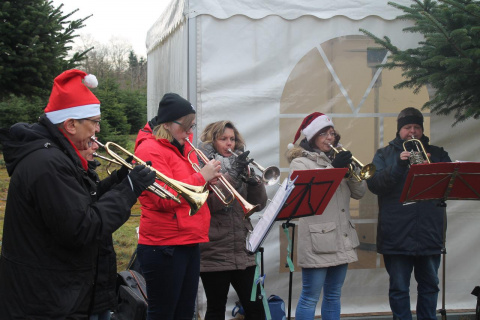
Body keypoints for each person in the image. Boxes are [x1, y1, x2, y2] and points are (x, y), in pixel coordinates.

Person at [0, 69, 156, 319]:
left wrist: (120, 179)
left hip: (62, 293)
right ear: (71, 124)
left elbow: (83, 202)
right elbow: (82, 227)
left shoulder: (56, 157)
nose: (98, 130)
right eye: (94, 122)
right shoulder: (48, 164)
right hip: (49, 301)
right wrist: (129, 189)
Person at [134, 93, 222, 320]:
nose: (189, 133)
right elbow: (164, 198)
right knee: (164, 313)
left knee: (184, 313)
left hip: (189, 239)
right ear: (166, 124)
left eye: (192, 126)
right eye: (185, 127)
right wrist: (201, 177)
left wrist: (207, 183)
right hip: (164, 245)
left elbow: (192, 195)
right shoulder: (148, 150)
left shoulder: (183, 147)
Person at [366, 107, 451, 320]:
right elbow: (375, 185)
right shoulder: (384, 155)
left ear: (422, 129)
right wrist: (399, 165)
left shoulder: (438, 153)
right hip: (396, 233)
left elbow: (449, 185)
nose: (412, 132)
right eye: (407, 127)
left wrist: (431, 168)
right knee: (399, 288)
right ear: (399, 130)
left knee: (430, 286)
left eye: (416, 127)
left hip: (430, 231)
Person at [285, 112, 365, 320]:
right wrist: (335, 168)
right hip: (317, 239)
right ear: (312, 138)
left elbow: (360, 193)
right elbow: (310, 196)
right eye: (324, 134)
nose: (330, 138)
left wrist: (351, 171)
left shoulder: (339, 159)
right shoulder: (300, 163)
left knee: (333, 295)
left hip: (342, 236)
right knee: (310, 297)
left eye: (332, 133)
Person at [197, 120, 267, 320]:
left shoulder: (241, 165)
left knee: (256, 309)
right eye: (223, 139)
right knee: (216, 309)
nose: (230, 144)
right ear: (212, 141)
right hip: (215, 249)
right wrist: (234, 174)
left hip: (243, 248)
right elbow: (213, 204)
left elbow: (257, 205)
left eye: (233, 139)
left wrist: (255, 184)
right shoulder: (203, 166)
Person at [79, 140, 130, 320]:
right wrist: (129, 189)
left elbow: (96, 194)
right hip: (87, 280)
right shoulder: (68, 172)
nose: (96, 147)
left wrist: (120, 176)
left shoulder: (86, 171)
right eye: (90, 141)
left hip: (102, 271)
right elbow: (90, 215)